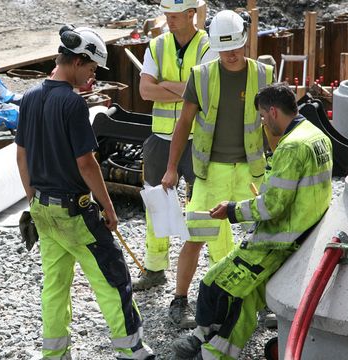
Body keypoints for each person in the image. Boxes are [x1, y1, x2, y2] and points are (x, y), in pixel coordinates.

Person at [15, 25, 155, 359]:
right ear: (77, 60)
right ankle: (131, 349)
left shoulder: (31, 97)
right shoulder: (73, 104)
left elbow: (21, 156)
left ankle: (55, 354)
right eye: (91, 69)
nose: (92, 76)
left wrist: (32, 197)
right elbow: (87, 163)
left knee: (55, 285)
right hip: (74, 212)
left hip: (43, 210)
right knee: (111, 277)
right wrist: (108, 207)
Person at [171, 83, 333, 359]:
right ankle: (213, 353)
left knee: (214, 285)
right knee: (243, 301)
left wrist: (232, 210)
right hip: (302, 238)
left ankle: (202, 338)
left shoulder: (292, 147)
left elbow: (272, 205)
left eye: (261, 116)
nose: (262, 123)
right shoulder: (317, 136)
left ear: (272, 112)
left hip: (277, 242)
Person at [160, 10, 274, 329]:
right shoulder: (202, 75)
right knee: (196, 235)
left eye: (235, 47)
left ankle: (264, 303)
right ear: (214, 46)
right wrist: (171, 168)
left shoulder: (263, 74)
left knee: (263, 237)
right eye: (224, 49)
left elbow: (277, 124)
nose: (231, 55)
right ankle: (180, 300)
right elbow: (184, 123)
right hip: (211, 172)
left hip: (251, 171)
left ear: (245, 41)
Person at [134, 0, 216, 293]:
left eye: (175, 15)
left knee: (205, 206)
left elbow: (206, 92)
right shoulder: (157, 46)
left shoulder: (209, 45)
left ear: (192, 14)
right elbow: (145, 90)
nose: (169, 20)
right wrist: (184, 88)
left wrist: (165, 85)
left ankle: (217, 268)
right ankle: (155, 268)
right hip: (160, 138)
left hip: (198, 139)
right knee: (156, 203)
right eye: (166, 15)